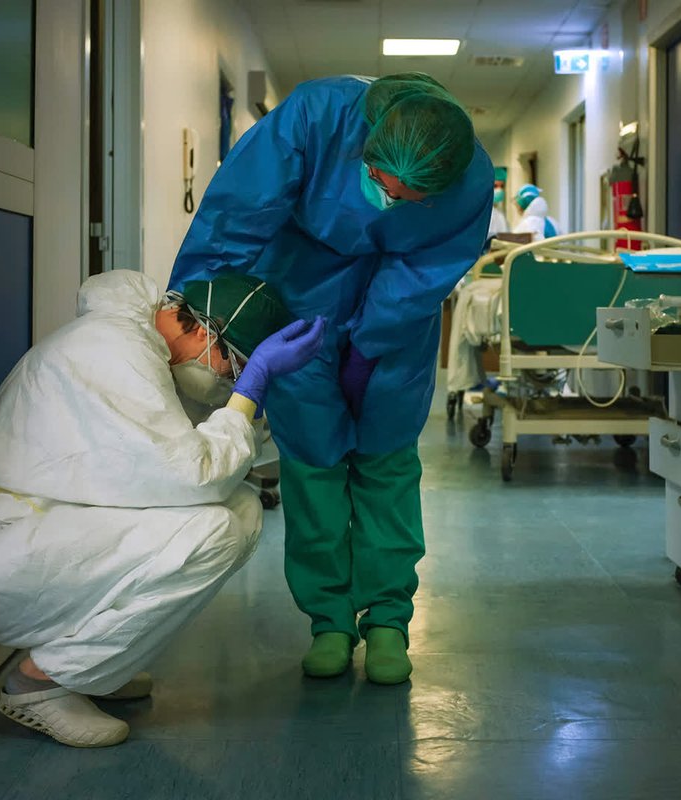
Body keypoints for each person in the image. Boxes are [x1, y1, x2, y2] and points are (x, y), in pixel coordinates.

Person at [170, 73, 493, 685]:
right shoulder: (319, 116)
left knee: (386, 456)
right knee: (313, 459)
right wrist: (202, 306)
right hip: (298, 286)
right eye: (380, 184)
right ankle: (330, 621)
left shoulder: (469, 176)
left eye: (411, 199)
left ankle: (389, 620)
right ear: (365, 150)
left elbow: (425, 271)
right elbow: (238, 210)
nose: (389, 203)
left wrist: (370, 346)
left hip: (398, 312)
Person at [0, 269, 325, 748]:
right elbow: (194, 475)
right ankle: (38, 684)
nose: (230, 382)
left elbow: (190, 454)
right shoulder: (116, 352)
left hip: (35, 529)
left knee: (239, 508)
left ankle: (90, 664)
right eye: (235, 368)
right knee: (216, 529)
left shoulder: (141, 347)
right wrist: (250, 393)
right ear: (205, 333)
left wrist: (249, 396)